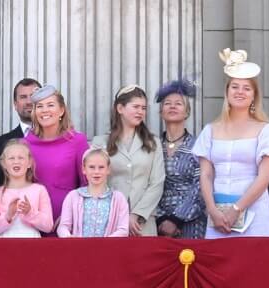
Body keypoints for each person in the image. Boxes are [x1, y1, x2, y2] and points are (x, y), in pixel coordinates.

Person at [193, 49, 269, 238]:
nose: (240, 92)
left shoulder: (266, 131)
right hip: (218, 217)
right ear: (227, 92)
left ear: (253, 96)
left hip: (255, 213)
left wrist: (236, 209)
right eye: (235, 86)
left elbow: (265, 178)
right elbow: (206, 174)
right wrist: (212, 210)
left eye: (246, 88)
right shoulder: (210, 130)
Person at [23, 84, 90, 216]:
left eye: (50, 105)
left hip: (67, 220)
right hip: (32, 219)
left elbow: (87, 184)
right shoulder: (25, 144)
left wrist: (71, 215)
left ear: (61, 110)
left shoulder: (77, 141)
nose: (44, 110)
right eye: (40, 106)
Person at [105, 85, 164, 237]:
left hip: (142, 223)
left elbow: (157, 183)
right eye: (136, 106)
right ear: (120, 108)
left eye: (143, 108)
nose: (140, 112)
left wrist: (137, 214)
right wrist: (121, 214)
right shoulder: (101, 143)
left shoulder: (153, 143)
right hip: (111, 219)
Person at [153, 79, 205, 240]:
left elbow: (201, 186)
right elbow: (145, 184)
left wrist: (177, 219)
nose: (173, 106)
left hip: (191, 222)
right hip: (157, 223)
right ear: (161, 112)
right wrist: (161, 218)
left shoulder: (198, 146)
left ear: (187, 112)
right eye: (167, 103)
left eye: (179, 103)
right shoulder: (152, 146)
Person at [57, 148, 132, 237]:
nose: (96, 172)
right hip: (79, 249)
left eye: (101, 167)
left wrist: (104, 244)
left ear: (108, 169)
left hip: (108, 249)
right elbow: (63, 226)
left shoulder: (118, 198)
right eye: (91, 167)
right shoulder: (73, 196)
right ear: (84, 169)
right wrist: (69, 237)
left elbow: (123, 230)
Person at [0, 140, 53, 238]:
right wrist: (8, 216)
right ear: (4, 164)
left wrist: (30, 213)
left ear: (29, 163)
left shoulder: (39, 190)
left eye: (21, 158)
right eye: (11, 158)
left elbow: (48, 226)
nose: (16, 161)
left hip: (32, 245)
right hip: (4, 247)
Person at [0, 78, 41, 187]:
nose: (29, 102)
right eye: (23, 97)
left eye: (33, 96)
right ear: (15, 104)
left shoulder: (60, 139)